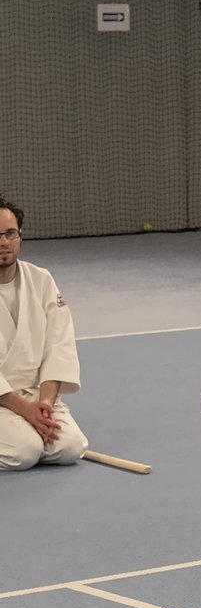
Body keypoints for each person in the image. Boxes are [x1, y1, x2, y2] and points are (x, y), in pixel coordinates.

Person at [0, 197, 89, 470]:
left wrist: (44, 406)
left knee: (71, 447)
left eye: (10, 233)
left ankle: (27, 429)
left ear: (20, 237)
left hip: (36, 396)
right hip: (6, 397)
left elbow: (58, 346)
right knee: (25, 452)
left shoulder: (41, 280)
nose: (3, 241)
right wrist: (24, 410)